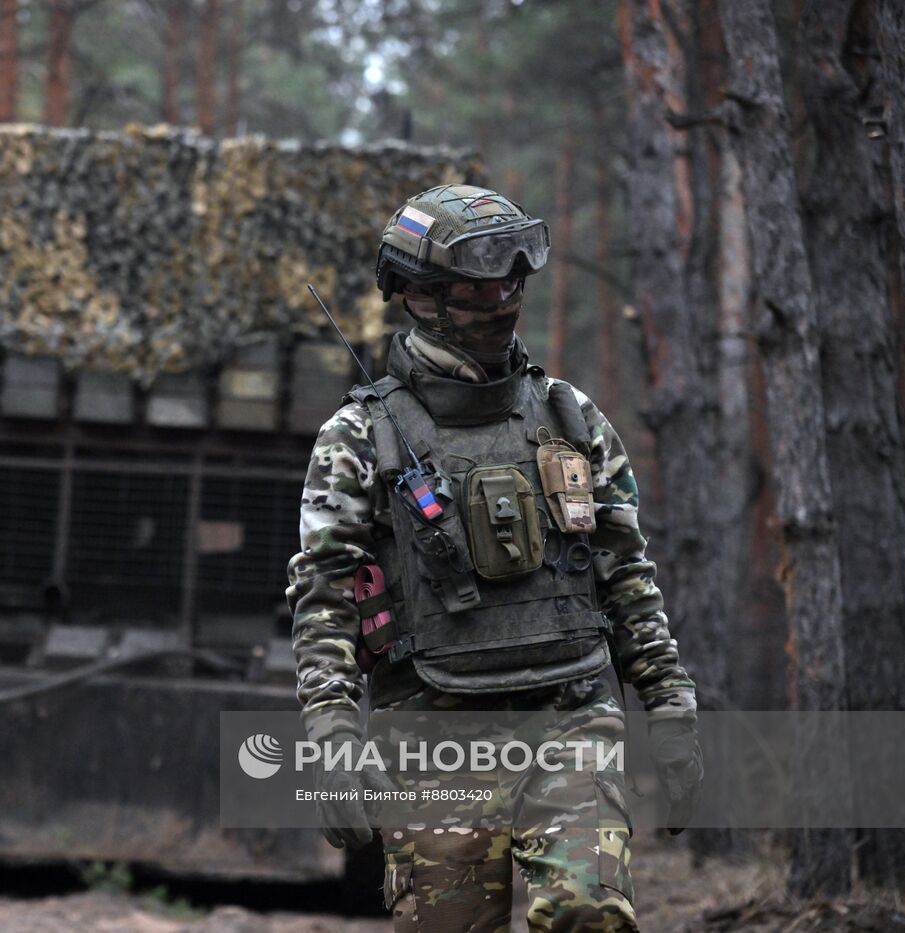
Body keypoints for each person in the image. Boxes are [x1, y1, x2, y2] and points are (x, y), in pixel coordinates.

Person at [286, 185, 702, 932]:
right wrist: (332, 733)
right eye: (477, 282)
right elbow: (324, 594)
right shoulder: (359, 438)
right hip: (434, 734)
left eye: (513, 279)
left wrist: (669, 705)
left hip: (569, 712)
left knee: (589, 912)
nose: (500, 298)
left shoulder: (570, 418)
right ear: (420, 295)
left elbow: (627, 576)